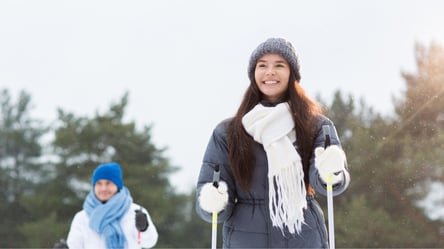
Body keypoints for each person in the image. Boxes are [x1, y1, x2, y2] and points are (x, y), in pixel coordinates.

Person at [196, 37, 351, 248]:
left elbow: (329, 186)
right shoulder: (229, 132)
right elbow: (213, 196)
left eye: (279, 65)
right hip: (246, 239)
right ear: (254, 74)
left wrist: (330, 171)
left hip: (302, 236)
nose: (270, 72)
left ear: (292, 74)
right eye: (263, 66)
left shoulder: (315, 126)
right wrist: (213, 201)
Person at [67, 162, 158, 249]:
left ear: (117, 186)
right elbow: (74, 246)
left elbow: (149, 243)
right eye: (99, 183)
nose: (103, 188)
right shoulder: (82, 217)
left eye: (108, 183)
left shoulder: (135, 212)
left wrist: (144, 229)